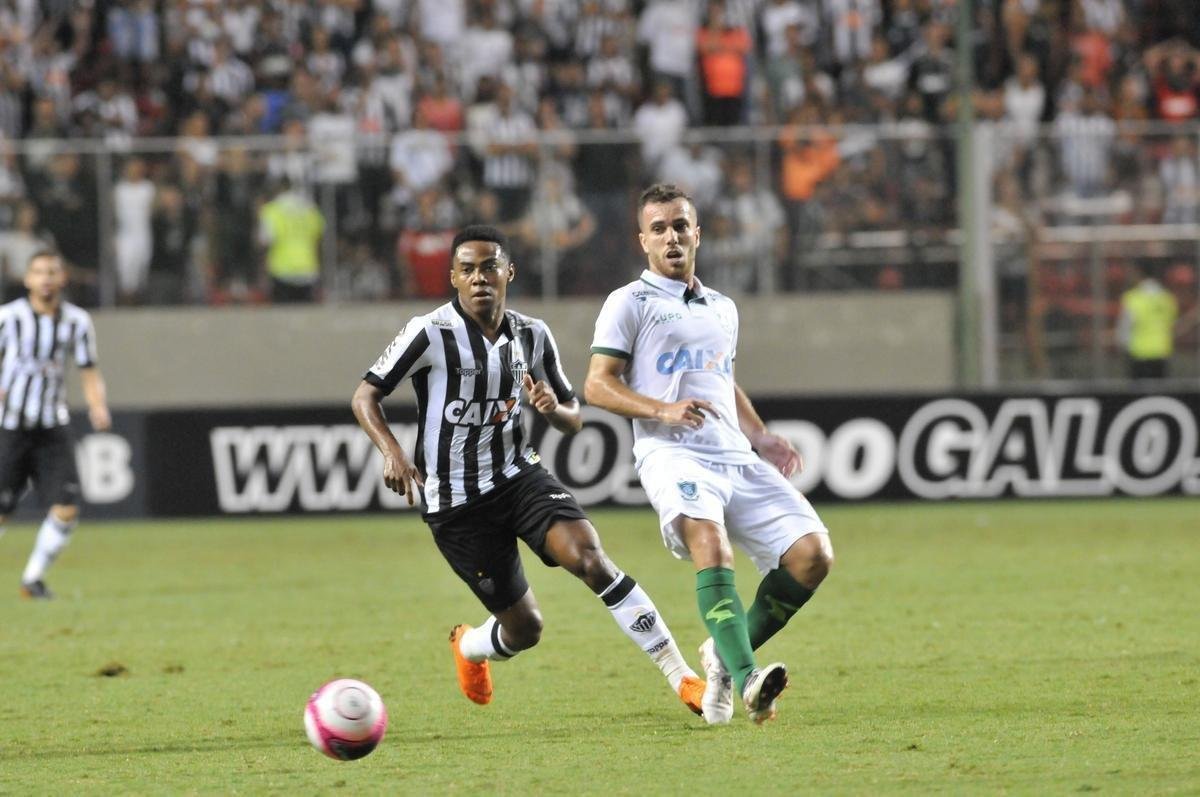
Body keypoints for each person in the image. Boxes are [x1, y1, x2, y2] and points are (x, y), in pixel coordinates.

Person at [350, 225, 705, 715]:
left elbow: (574, 418)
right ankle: (470, 647)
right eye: (468, 269)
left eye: (489, 266)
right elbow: (366, 395)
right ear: (453, 277)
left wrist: (550, 409)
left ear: (508, 272)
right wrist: (392, 451)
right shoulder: (428, 333)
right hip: (457, 505)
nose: (479, 278)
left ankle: (684, 678)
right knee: (525, 629)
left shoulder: (533, 335)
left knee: (591, 559)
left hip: (519, 477)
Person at [584, 184, 834, 725]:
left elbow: (722, 377)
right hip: (673, 453)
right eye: (658, 228)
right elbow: (598, 386)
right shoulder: (631, 302)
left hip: (733, 452)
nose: (670, 236)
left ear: (697, 234)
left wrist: (761, 435)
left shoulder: (722, 307)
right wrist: (662, 410)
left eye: (679, 225)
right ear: (643, 241)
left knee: (813, 556)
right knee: (709, 542)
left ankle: (722, 652)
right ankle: (748, 680)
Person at [0, 250, 111, 599]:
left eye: (52, 271)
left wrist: (98, 406)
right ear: (28, 279)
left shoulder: (77, 322)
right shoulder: (8, 318)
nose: (45, 278)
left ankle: (33, 580)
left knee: (65, 509)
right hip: (10, 427)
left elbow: (88, 370)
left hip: (52, 427)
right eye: (38, 272)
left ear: (62, 278)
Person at [1117, 263, 1178, 379]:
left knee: (1139, 394)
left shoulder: (1132, 298)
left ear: (1139, 274)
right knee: (1160, 392)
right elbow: (1172, 324)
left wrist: (1123, 347)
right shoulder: (1167, 298)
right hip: (1162, 351)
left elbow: (1125, 327)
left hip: (1139, 353)